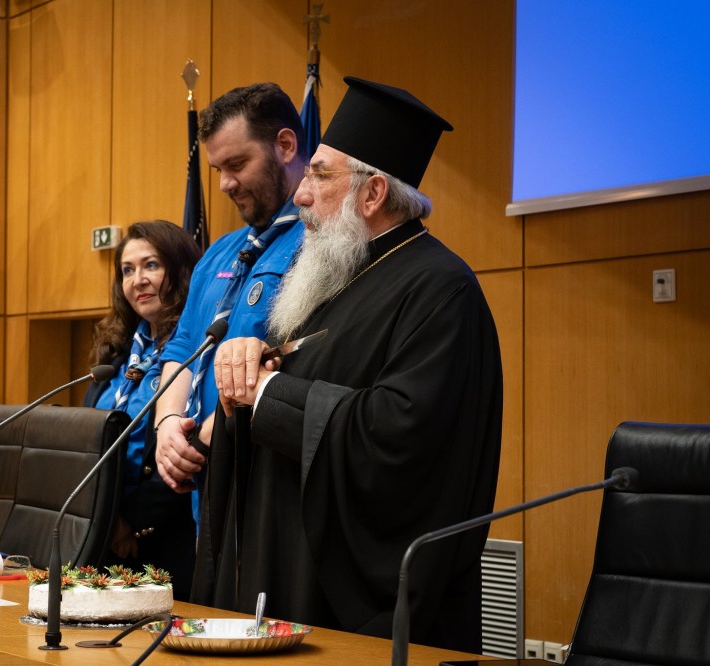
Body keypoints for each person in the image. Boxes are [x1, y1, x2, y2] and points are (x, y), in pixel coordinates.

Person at [163, 77, 504, 653]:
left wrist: (266, 394)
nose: (300, 193)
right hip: (285, 578)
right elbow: (296, 375)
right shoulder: (330, 278)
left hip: (365, 606)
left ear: (372, 194)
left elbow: (400, 435)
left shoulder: (442, 290)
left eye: (320, 176)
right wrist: (247, 363)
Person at [154, 82, 308, 497]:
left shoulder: (322, 245)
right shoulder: (219, 252)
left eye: (237, 164)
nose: (224, 184)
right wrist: (167, 424)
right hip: (205, 485)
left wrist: (206, 438)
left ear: (286, 146)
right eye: (218, 169)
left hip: (264, 482)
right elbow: (184, 345)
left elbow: (296, 360)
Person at [83, 221, 201, 598]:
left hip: (166, 540)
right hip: (102, 535)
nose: (138, 280)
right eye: (127, 270)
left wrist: (131, 523)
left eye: (151, 265)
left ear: (181, 270)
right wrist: (106, 521)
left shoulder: (198, 351)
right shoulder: (115, 354)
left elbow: (189, 447)